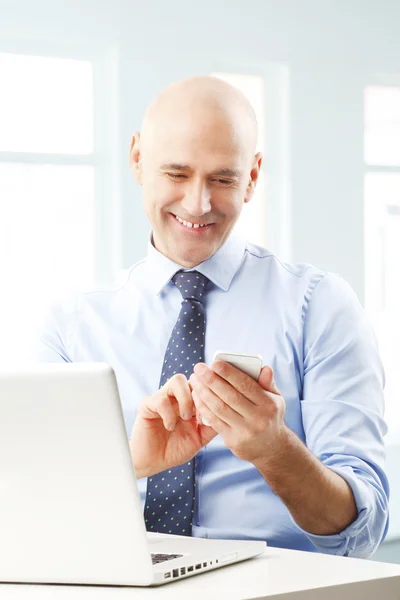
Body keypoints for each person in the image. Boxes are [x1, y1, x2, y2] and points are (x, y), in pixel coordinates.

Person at [35, 75, 389, 558]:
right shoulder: (71, 326)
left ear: (254, 175)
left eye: (223, 179)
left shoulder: (320, 307)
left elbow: (360, 533)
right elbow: (30, 505)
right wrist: (128, 465)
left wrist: (275, 451)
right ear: (138, 158)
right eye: (177, 174)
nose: (198, 204)